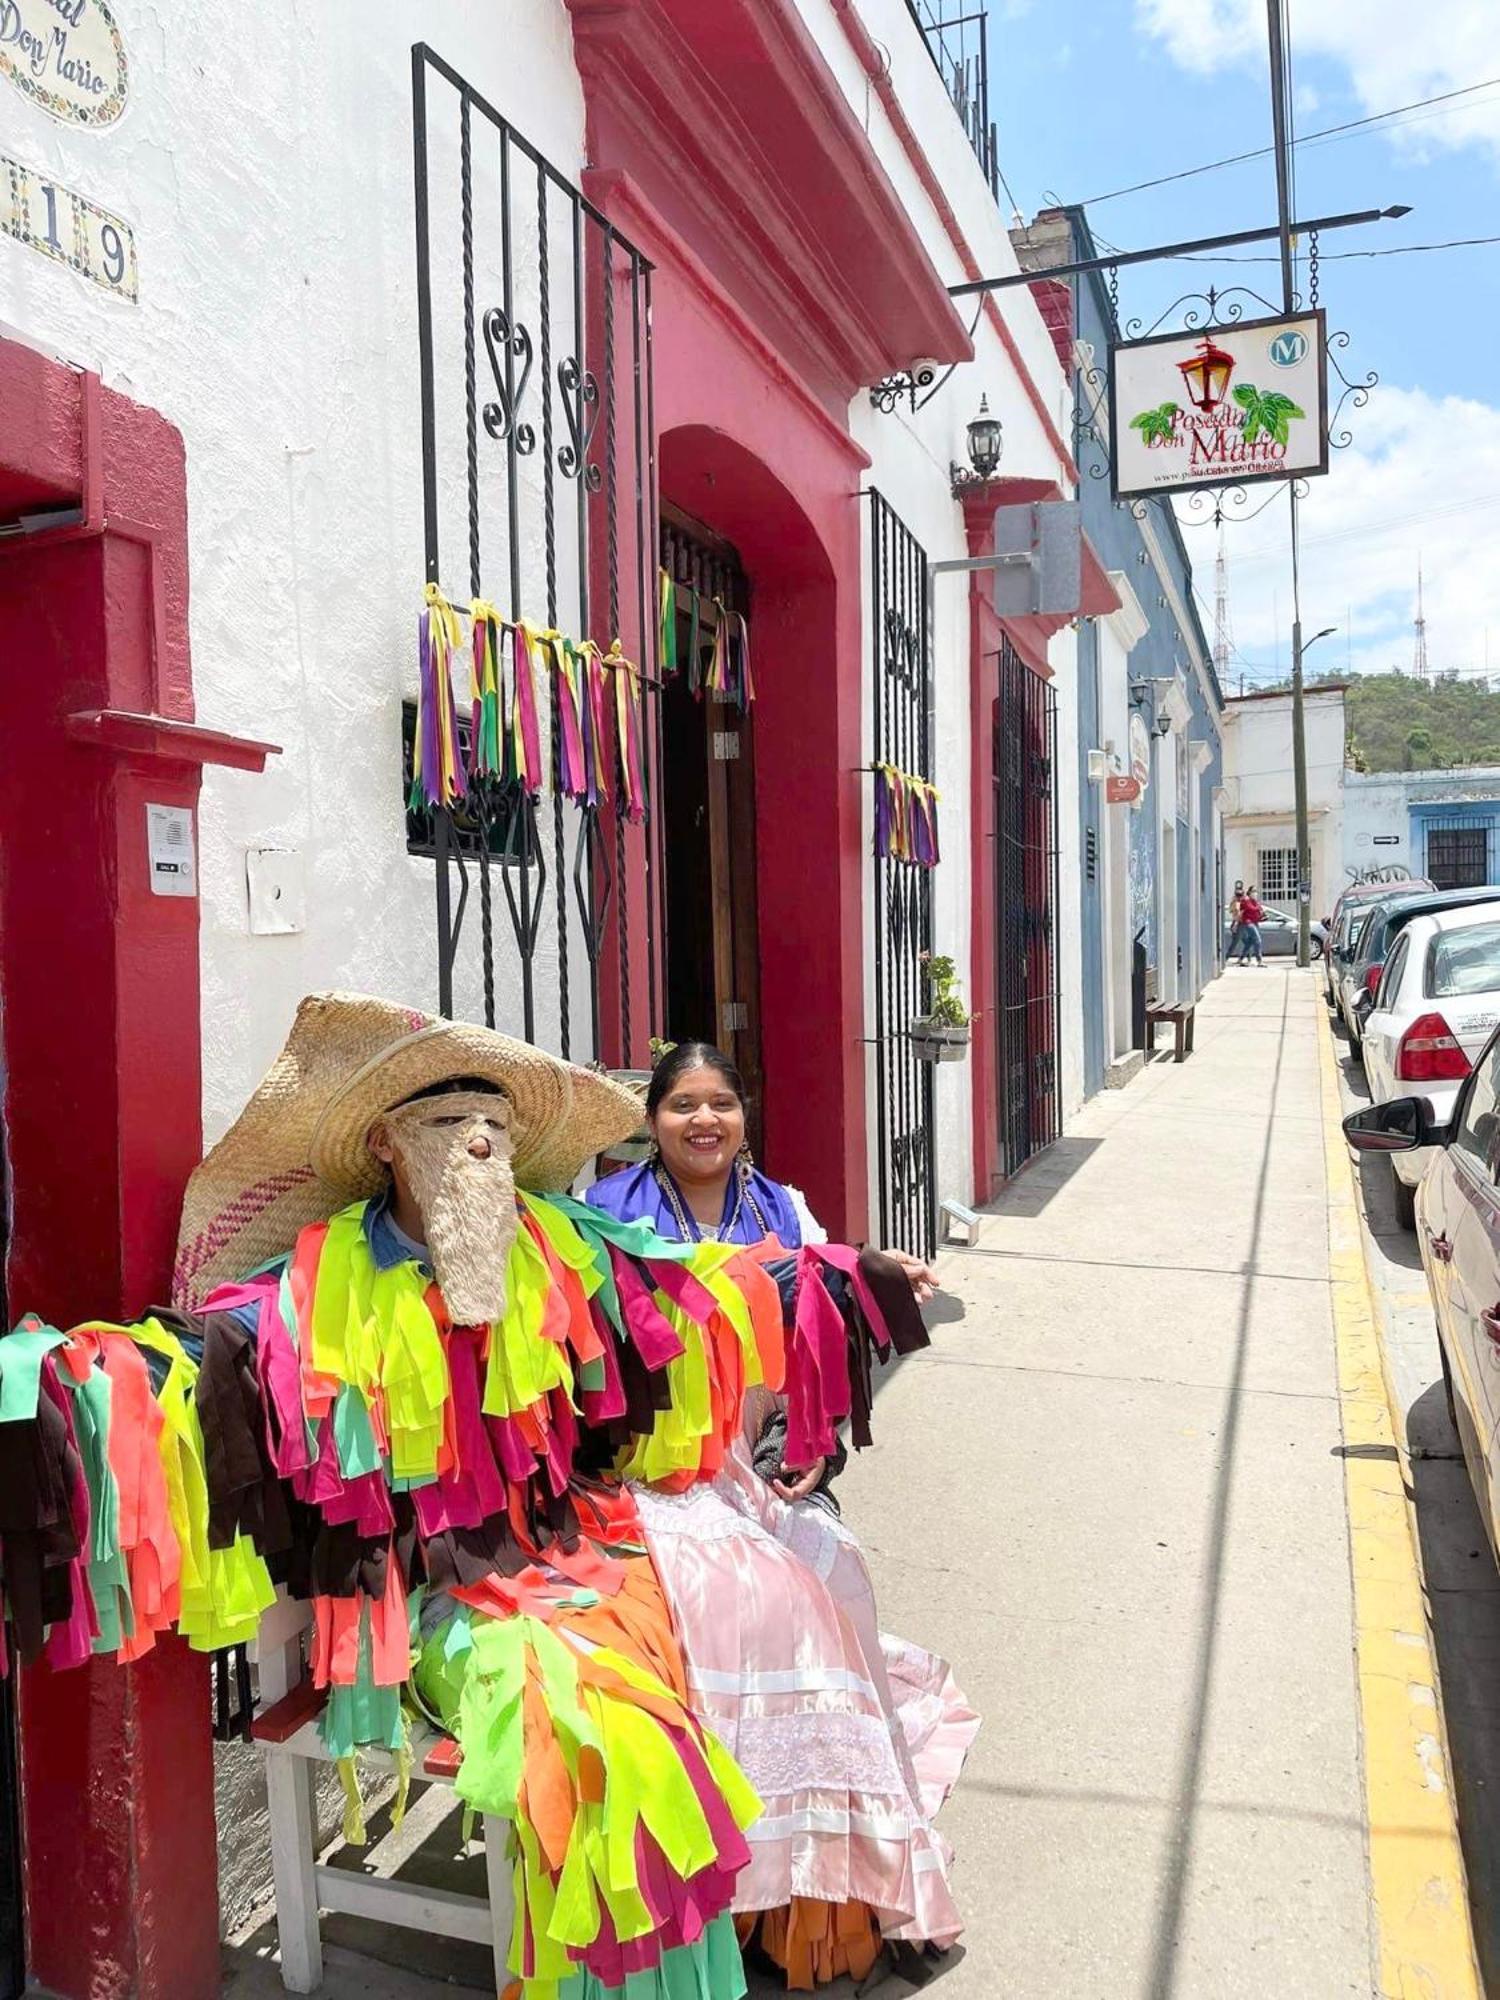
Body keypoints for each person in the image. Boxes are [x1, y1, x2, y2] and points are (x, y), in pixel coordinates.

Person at [0, 995, 958, 2000]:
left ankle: (799, 1906)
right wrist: (56, 1388)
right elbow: (191, 1364)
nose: (482, 1142)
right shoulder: (315, 1284)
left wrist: (850, 1271)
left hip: (570, 1546)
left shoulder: (554, 1244)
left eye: (497, 1122)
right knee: (613, 1748)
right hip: (435, 1603)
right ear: (382, 1142)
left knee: (774, 1601)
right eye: (450, 1119)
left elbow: (702, 1280)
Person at [588, 1042, 976, 1990]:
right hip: (653, 1473)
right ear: (653, 1119)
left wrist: (810, 1446)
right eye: (683, 1104)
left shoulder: (782, 1211)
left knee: (832, 1569)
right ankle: (751, 1889)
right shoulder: (605, 1218)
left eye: (721, 1101)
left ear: (744, 1114)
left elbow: (824, 1326)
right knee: (755, 1610)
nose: (704, 1121)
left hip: (758, 1464)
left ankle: (833, 1882)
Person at [1235, 885, 1266, 965]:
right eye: (1254, 891)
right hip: (1248, 923)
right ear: (1249, 892)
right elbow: (1251, 908)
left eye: (1256, 891)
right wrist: (1258, 909)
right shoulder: (1246, 900)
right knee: (1257, 940)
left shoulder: (1255, 901)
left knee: (1250, 942)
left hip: (1255, 922)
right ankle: (1259, 960)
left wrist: (1262, 914)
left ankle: (1241, 959)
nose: (1255, 893)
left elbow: (1259, 910)